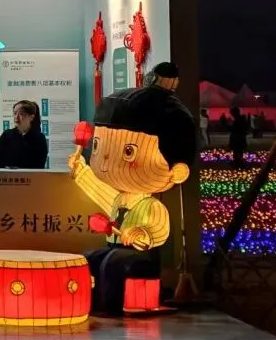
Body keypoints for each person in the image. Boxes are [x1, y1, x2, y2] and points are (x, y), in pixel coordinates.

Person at [68, 84, 196, 315]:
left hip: (141, 258)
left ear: (176, 172)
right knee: (90, 259)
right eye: (97, 146)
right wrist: (81, 170)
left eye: (128, 152)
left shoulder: (151, 205)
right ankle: (93, 303)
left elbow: (159, 229)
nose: (106, 162)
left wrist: (143, 233)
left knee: (115, 263)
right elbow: (98, 189)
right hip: (113, 248)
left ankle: (114, 307)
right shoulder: (119, 199)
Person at [0, 100, 48, 169]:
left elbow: (40, 165)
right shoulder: (6, 136)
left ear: (31, 117)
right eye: (15, 113)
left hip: (31, 175)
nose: (16, 117)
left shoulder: (39, 138)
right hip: (9, 175)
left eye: (21, 114)